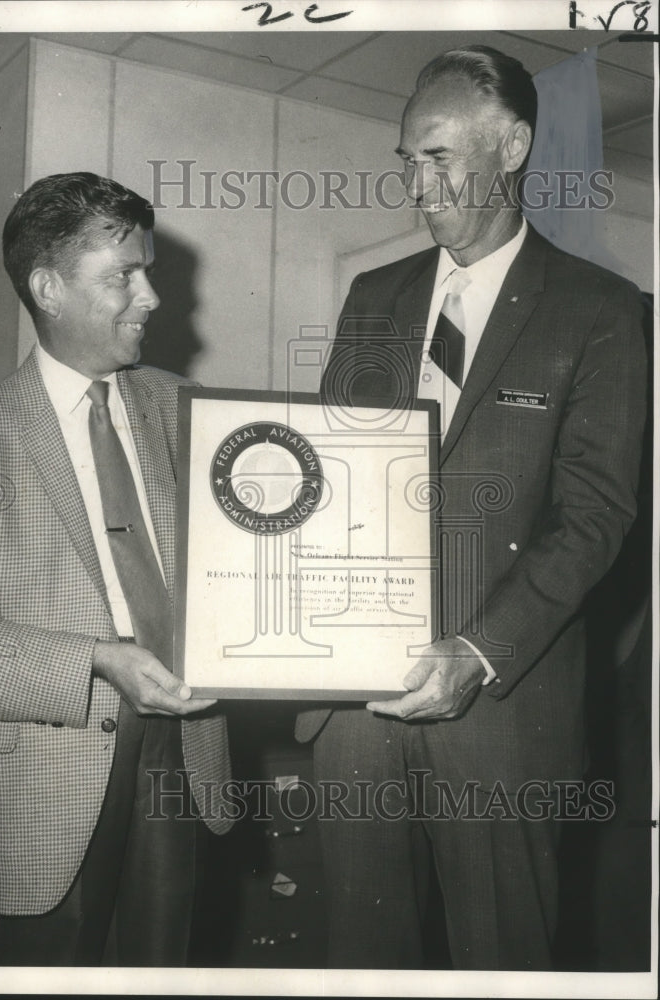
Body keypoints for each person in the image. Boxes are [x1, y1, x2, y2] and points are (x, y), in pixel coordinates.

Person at [296, 46, 647, 970]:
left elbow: (596, 518)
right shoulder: (375, 299)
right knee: (360, 959)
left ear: (514, 147)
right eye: (407, 159)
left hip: (503, 713)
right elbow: (332, 483)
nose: (419, 183)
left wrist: (479, 652)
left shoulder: (603, 312)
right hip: (356, 707)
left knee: (502, 962)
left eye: (441, 157)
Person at [0, 172, 232, 966]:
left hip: (185, 758)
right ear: (48, 287)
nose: (150, 297)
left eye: (146, 271)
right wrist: (97, 661)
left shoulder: (192, 409)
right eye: (121, 277)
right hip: (40, 781)